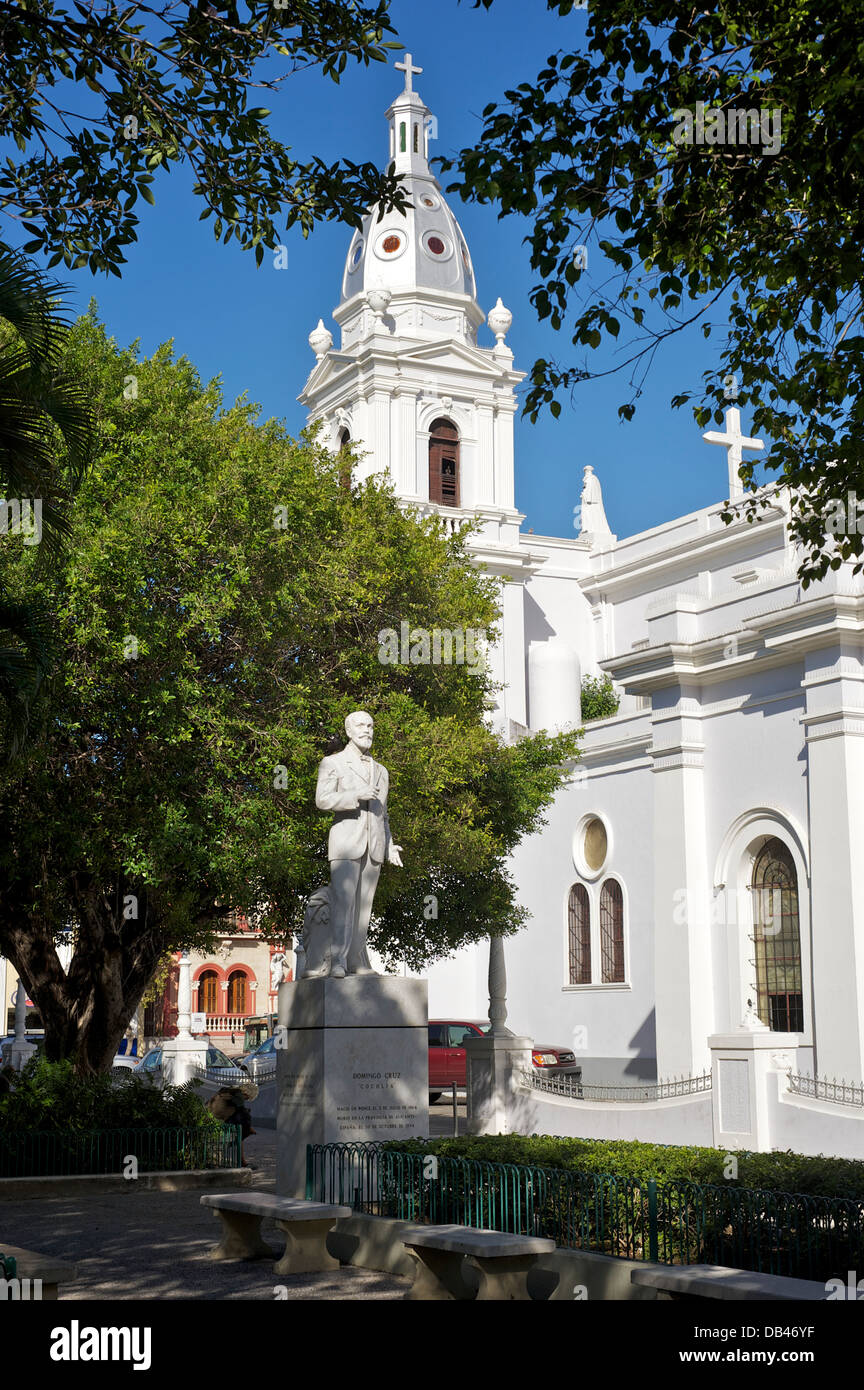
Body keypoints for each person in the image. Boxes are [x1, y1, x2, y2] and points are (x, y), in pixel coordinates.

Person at [314, 710, 403, 977]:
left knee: (364, 907)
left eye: (370, 725)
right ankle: (337, 960)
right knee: (344, 903)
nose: (367, 730)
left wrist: (389, 845)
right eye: (361, 726)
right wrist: (355, 795)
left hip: (374, 846)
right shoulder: (333, 763)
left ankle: (357, 961)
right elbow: (323, 799)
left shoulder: (382, 771)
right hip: (345, 843)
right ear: (349, 731)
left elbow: (382, 813)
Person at [207, 1082, 259, 1167]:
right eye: (247, 1098)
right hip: (222, 1122)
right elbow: (241, 1111)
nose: (246, 1099)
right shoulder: (239, 1095)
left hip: (214, 1118)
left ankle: (242, 1161)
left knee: (238, 1136)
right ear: (247, 1093)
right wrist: (248, 1128)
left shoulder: (228, 1091)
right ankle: (238, 1162)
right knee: (242, 1125)